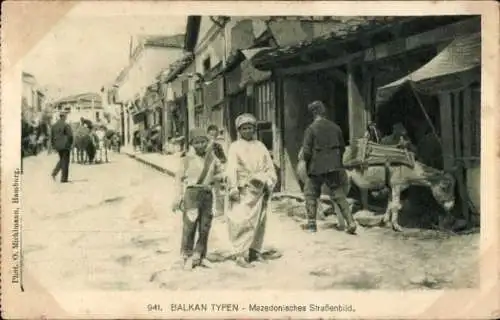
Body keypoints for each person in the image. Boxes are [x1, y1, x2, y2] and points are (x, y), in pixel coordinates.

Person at [225, 113, 279, 268]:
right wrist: (233, 187)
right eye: (244, 128)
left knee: (259, 221)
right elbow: (231, 168)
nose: (248, 131)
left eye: (250, 128)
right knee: (242, 221)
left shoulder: (260, 146)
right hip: (244, 189)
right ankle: (241, 254)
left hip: (260, 188)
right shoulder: (235, 147)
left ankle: (255, 250)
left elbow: (269, 166)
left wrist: (269, 181)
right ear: (239, 130)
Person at [172, 128, 224, 269]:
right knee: (190, 225)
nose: (200, 145)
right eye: (197, 142)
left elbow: (221, 173)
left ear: (207, 142)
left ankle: (200, 255)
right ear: (192, 143)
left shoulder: (212, 158)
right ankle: (187, 255)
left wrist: (217, 178)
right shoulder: (187, 160)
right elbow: (179, 179)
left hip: (207, 194)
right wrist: (178, 197)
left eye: (203, 142)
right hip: (192, 194)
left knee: (205, 226)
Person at [302, 101, 357, 234]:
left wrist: (308, 164)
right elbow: (343, 148)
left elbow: (306, 151)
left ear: (314, 113)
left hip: (316, 167)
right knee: (338, 194)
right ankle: (351, 222)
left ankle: (311, 225)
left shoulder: (311, 129)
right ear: (324, 112)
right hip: (334, 166)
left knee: (310, 193)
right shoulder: (336, 127)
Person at [51, 112, 74, 183]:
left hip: (57, 146)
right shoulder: (66, 125)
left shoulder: (54, 125)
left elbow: (51, 137)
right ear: (63, 117)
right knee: (65, 161)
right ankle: (64, 179)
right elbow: (70, 136)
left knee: (62, 159)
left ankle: (54, 173)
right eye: (66, 116)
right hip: (65, 145)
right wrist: (70, 144)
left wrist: (53, 146)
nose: (66, 117)